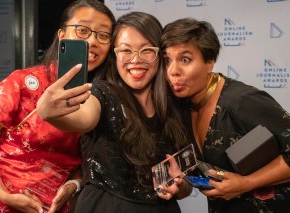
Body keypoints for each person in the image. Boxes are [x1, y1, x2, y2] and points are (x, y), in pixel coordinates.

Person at [37, 11, 192, 213]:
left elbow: (186, 185)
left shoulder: (174, 105)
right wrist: (51, 113)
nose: (136, 60)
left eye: (147, 50)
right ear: (115, 55)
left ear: (159, 56)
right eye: (126, 51)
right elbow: (84, 118)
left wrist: (179, 186)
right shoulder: (102, 92)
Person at [0, 0, 116, 212]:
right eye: (83, 30)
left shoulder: (103, 98)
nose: (93, 41)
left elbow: (90, 161)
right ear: (62, 35)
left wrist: (72, 185)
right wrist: (5, 194)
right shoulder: (22, 82)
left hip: (49, 208)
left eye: (103, 35)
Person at [161, 17, 290, 213]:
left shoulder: (241, 101)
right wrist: (180, 182)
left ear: (210, 62)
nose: (173, 71)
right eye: (167, 60)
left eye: (185, 59)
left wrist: (247, 183)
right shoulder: (181, 107)